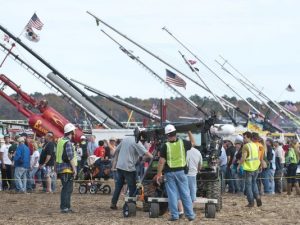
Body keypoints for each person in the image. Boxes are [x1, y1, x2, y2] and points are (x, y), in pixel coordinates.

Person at [156, 124, 195, 221]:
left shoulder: (165, 146)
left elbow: (161, 162)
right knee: (185, 194)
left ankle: (174, 215)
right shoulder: (183, 143)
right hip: (181, 172)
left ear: (167, 135)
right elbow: (193, 143)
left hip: (169, 173)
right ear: (176, 133)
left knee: (172, 195)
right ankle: (190, 215)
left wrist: (158, 174)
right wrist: (189, 131)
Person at [110, 134, 153, 210]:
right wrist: (154, 157)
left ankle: (113, 203)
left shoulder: (125, 139)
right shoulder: (137, 142)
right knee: (132, 187)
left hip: (120, 166)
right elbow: (147, 154)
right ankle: (131, 204)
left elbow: (116, 150)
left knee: (118, 186)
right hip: (129, 167)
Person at [56, 123, 77, 213]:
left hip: (60, 168)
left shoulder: (60, 141)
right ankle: (65, 207)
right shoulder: (67, 143)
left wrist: (55, 168)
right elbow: (70, 157)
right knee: (67, 189)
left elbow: (56, 155)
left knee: (66, 188)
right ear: (71, 132)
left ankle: (66, 207)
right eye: (74, 131)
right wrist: (75, 170)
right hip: (67, 169)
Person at [239, 131, 262, 207]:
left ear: (249, 137)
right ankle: (258, 197)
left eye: (244, 137)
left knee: (248, 186)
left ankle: (251, 202)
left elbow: (243, 158)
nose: (243, 139)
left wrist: (239, 165)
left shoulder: (246, 146)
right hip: (256, 167)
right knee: (254, 183)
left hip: (249, 168)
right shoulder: (255, 145)